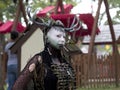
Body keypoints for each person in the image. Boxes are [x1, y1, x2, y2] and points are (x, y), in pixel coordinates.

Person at [12, 19, 76, 90]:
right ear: (47, 38)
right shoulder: (39, 60)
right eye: (58, 36)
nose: (62, 40)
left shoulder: (65, 61)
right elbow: (17, 87)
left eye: (64, 37)